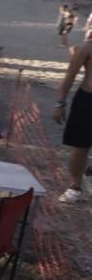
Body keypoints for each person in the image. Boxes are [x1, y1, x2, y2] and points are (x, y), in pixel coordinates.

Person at [54, 37, 92, 203]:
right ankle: (75, 186)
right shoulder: (87, 48)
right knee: (79, 146)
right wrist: (60, 103)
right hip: (87, 100)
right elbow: (70, 76)